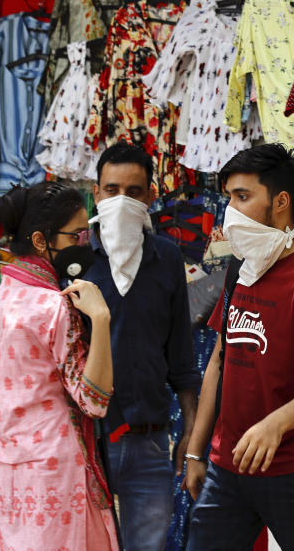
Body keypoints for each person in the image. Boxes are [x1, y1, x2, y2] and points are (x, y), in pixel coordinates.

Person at [182, 143, 294, 551]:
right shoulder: (241, 271)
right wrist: (196, 451)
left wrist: (275, 424)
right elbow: (219, 363)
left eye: (243, 197)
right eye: (229, 199)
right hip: (229, 466)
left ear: (280, 201)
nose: (231, 211)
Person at [0, 182, 118, 551]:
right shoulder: (54, 307)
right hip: (57, 477)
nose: (86, 241)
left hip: (9, 476)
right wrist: (100, 319)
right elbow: (94, 401)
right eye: (77, 234)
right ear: (39, 240)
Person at [83, 142, 201, 551]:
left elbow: (181, 356)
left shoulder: (166, 258)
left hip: (150, 439)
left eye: (133, 192)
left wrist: (191, 430)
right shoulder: (78, 262)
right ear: (94, 193)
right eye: (111, 190)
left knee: (148, 546)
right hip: (88, 439)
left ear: (151, 196)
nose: (121, 201)